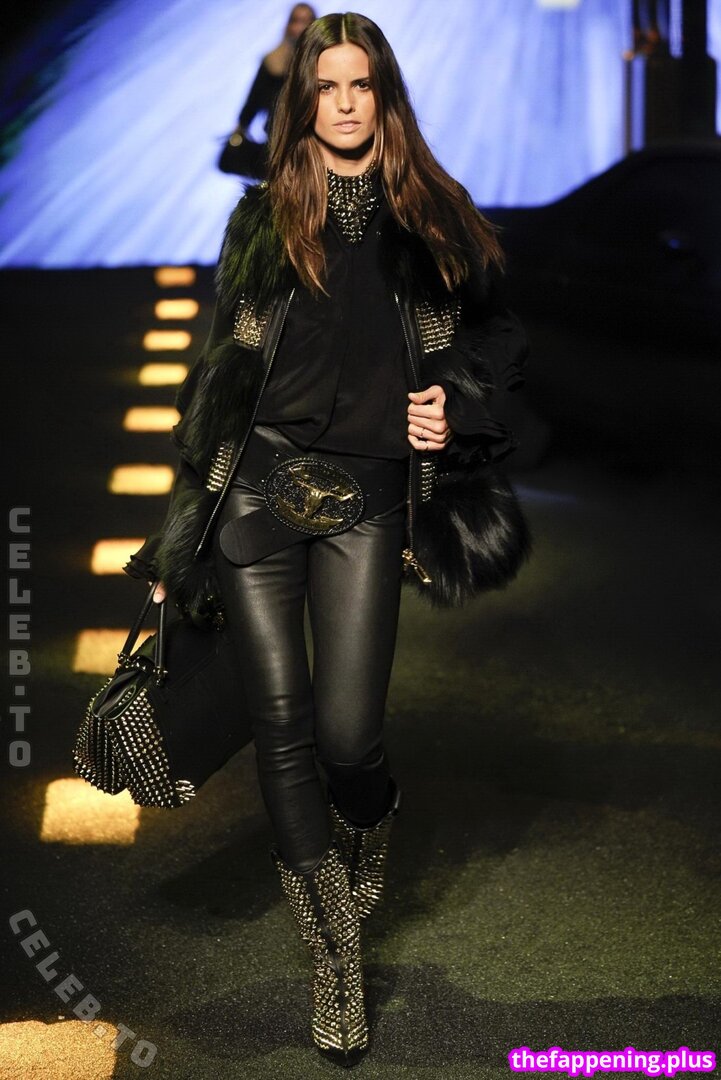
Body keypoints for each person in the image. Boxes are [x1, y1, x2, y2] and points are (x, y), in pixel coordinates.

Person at [125, 12, 530, 1065]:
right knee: (282, 724)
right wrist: (178, 544)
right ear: (303, 99)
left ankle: (368, 828)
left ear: (383, 95)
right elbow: (217, 384)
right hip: (257, 495)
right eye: (326, 85)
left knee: (350, 738)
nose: (344, 103)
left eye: (361, 85)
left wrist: (456, 403)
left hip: (368, 497)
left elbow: (500, 340)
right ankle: (334, 955)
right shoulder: (263, 219)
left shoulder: (434, 216)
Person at [218, 3, 317, 178]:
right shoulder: (272, 62)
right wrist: (240, 129)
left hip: (315, 145)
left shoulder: (323, 63)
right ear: (288, 25)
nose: (300, 27)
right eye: (295, 21)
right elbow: (253, 101)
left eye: (306, 21)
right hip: (279, 146)